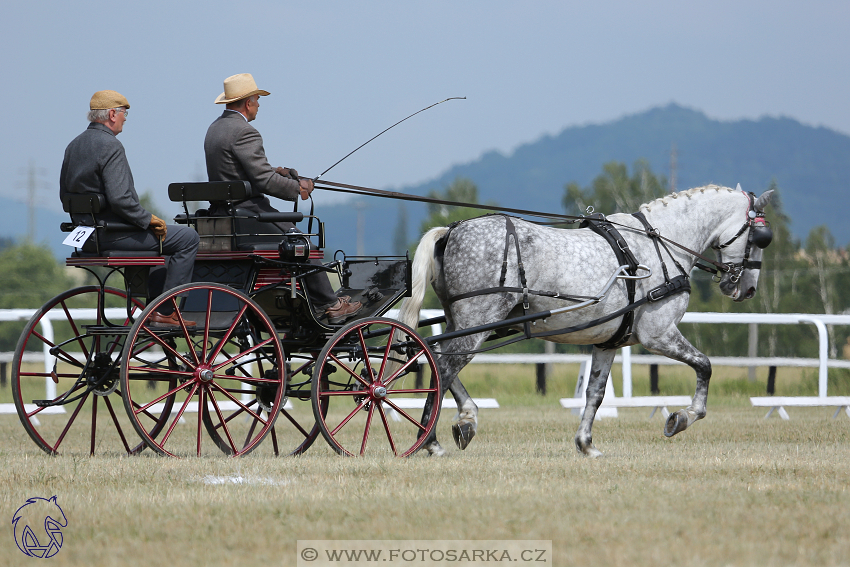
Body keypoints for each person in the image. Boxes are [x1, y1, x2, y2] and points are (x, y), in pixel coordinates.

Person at [204, 73, 361, 323]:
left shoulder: (215, 129)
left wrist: (276, 171)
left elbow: (241, 171)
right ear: (248, 102)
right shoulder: (245, 132)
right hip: (247, 214)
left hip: (223, 214)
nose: (258, 105)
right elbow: (264, 181)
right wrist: (297, 188)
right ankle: (330, 304)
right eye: (257, 99)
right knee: (302, 242)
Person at [60, 90, 199, 326]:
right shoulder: (110, 146)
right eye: (125, 112)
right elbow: (121, 200)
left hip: (85, 236)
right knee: (187, 237)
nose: (126, 118)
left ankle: (155, 307)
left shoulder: (74, 145)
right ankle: (165, 312)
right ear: (112, 114)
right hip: (113, 234)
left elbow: (65, 199)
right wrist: (149, 219)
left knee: (166, 244)